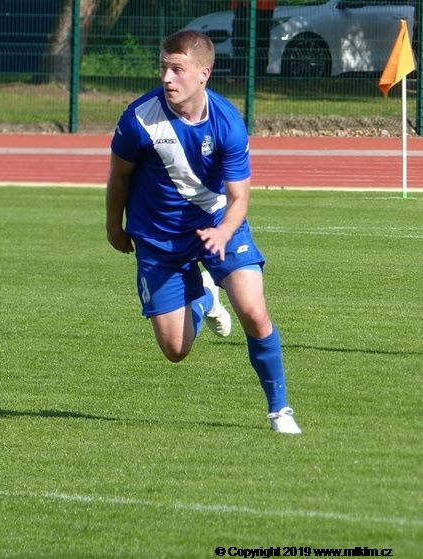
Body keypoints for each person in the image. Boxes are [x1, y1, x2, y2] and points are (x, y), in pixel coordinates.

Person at [105, 29, 301, 434]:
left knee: (254, 312)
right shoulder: (138, 118)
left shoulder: (228, 122)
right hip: (159, 237)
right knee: (175, 350)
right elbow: (118, 175)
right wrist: (113, 225)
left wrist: (224, 232)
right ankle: (206, 296)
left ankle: (279, 411)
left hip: (218, 226)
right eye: (163, 68)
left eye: (177, 69)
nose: (167, 78)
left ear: (203, 73)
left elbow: (239, 198)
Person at [231, 0, 276, 78]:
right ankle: (239, 74)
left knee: (260, 40)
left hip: (262, 7)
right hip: (244, 6)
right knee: (240, 39)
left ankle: (258, 74)